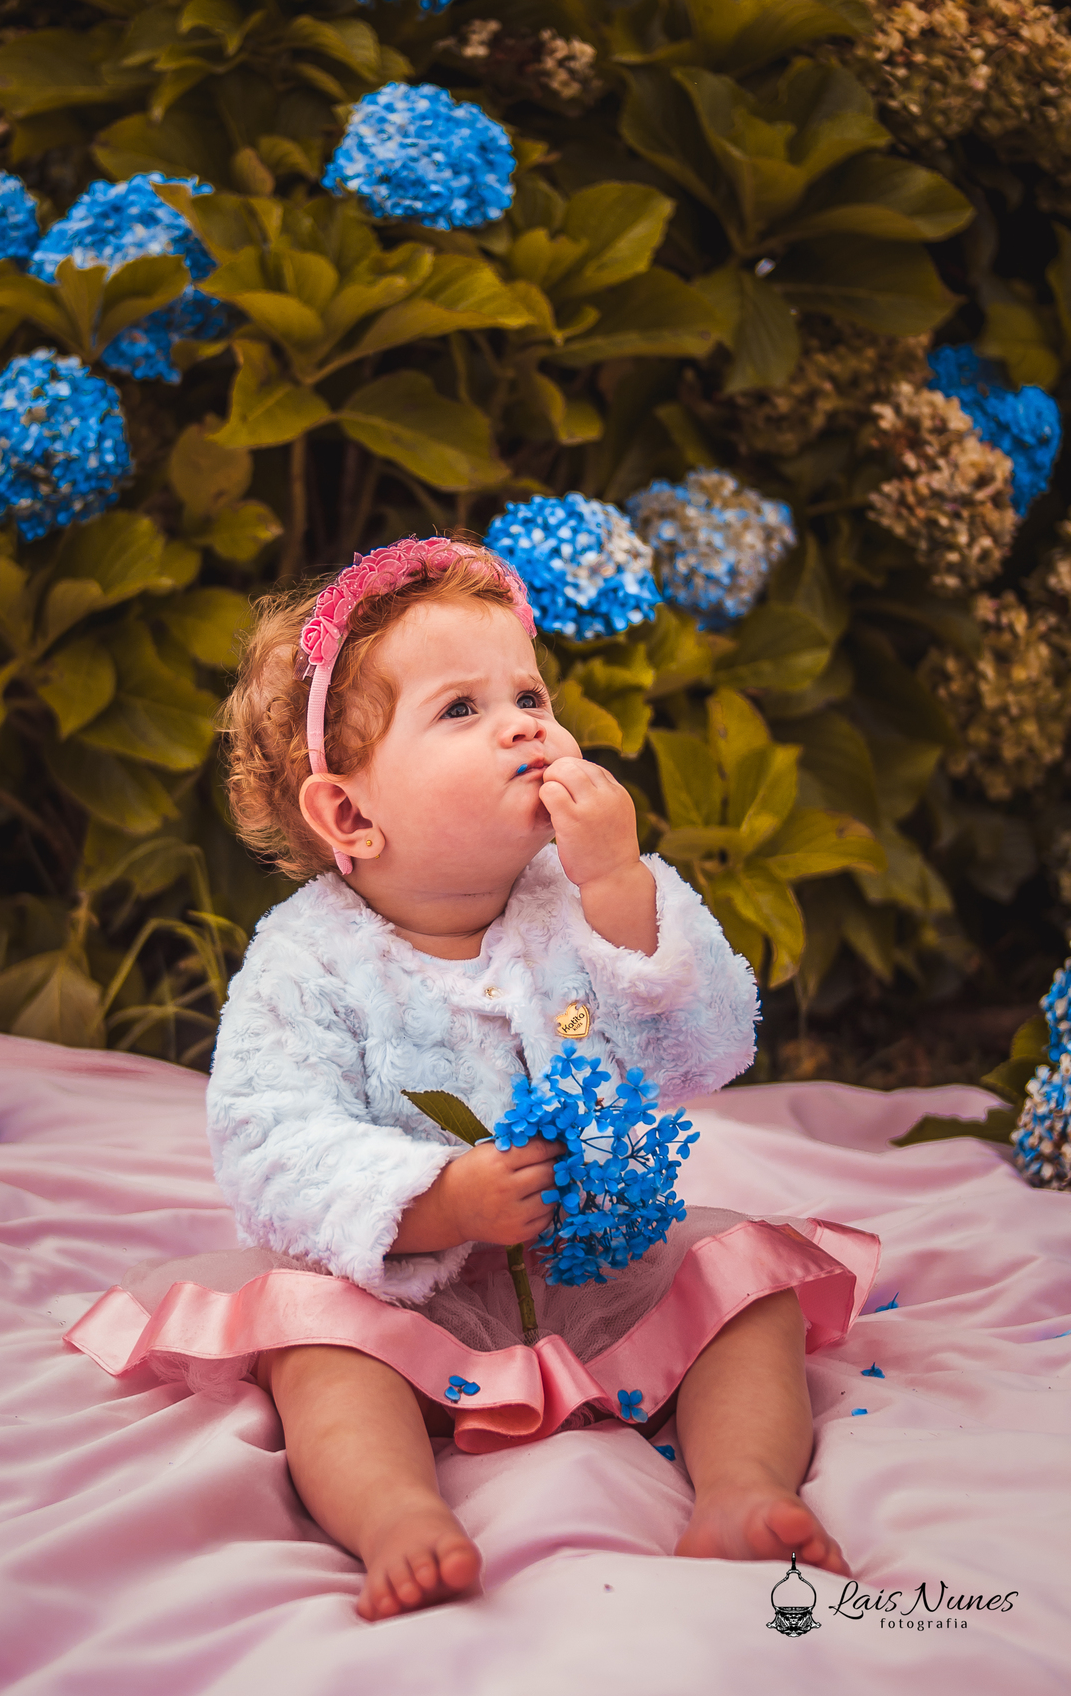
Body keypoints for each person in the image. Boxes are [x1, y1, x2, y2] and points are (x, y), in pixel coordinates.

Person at [65, 534, 880, 1623]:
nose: (526, 723)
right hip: (406, 1295)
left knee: (744, 1285)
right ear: (350, 814)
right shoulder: (308, 960)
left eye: (530, 694)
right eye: (462, 707)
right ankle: (398, 1515)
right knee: (316, 1348)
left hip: (595, 1268)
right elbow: (268, 1138)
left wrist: (619, 884)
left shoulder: (578, 897)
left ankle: (742, 1490)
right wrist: (437, 1201)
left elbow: (708, 1047)